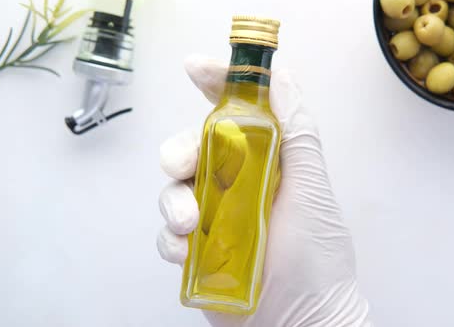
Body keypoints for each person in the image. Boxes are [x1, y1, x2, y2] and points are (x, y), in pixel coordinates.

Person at [157, 55, 372, 327]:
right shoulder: (222, 119)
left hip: (266, 295)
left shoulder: (272, 127)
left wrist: (329, 319)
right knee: (191, 205)